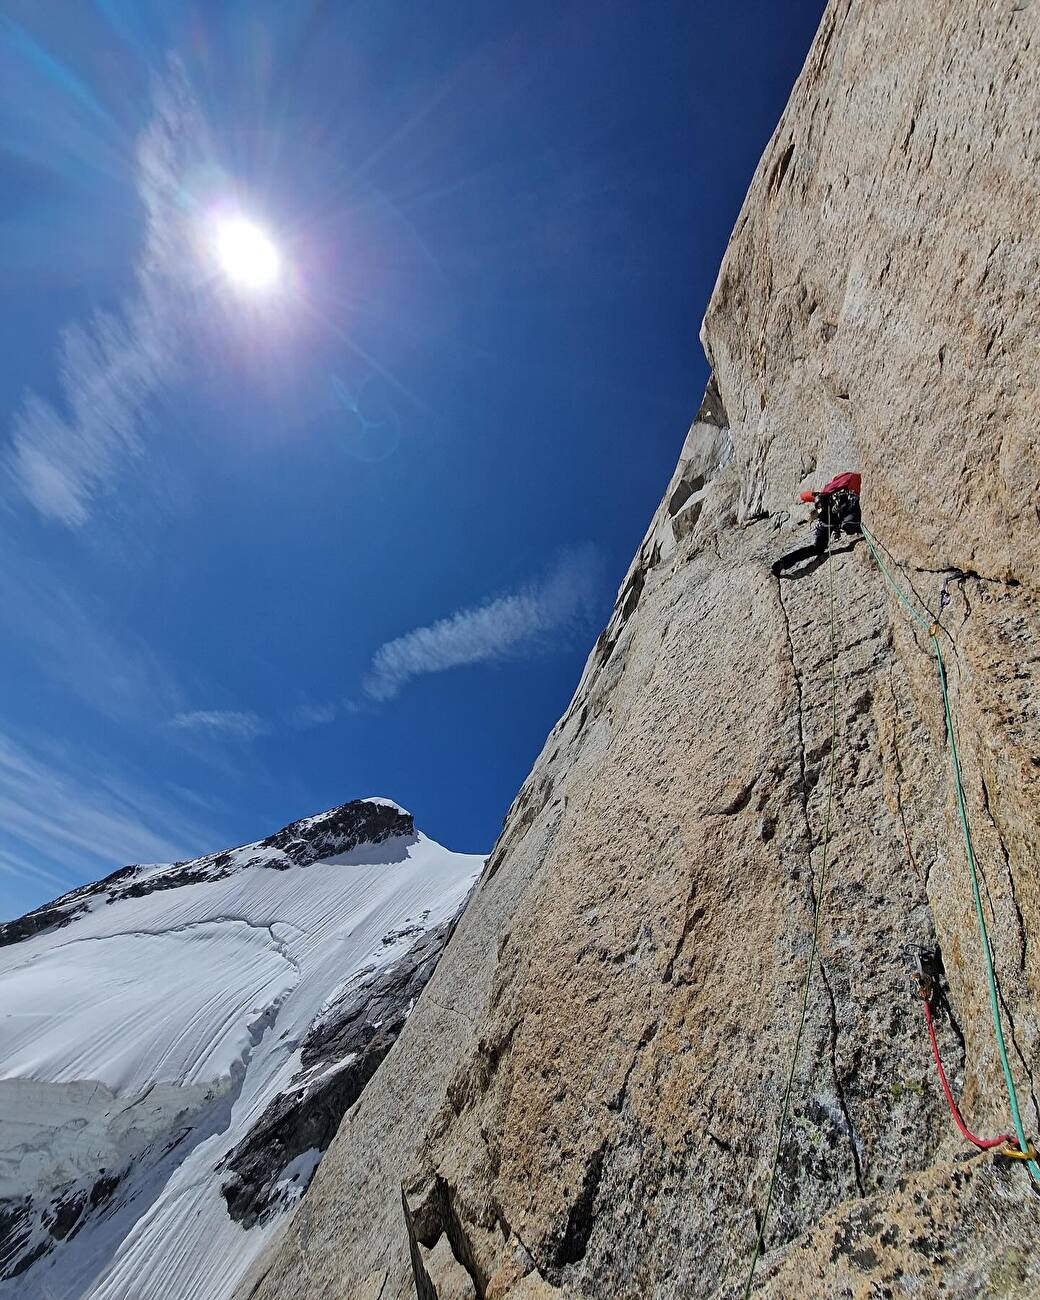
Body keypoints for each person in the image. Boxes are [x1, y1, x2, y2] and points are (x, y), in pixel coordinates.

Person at [771, 472, 862, 577]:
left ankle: (782, 563)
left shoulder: (833, 494)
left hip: (829, 521)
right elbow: (802, 496)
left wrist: (815, 495)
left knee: (817, 547)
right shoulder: (831, 493)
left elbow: (802, 496)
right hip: (832, 520)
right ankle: (782, 563)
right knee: (845, 526)